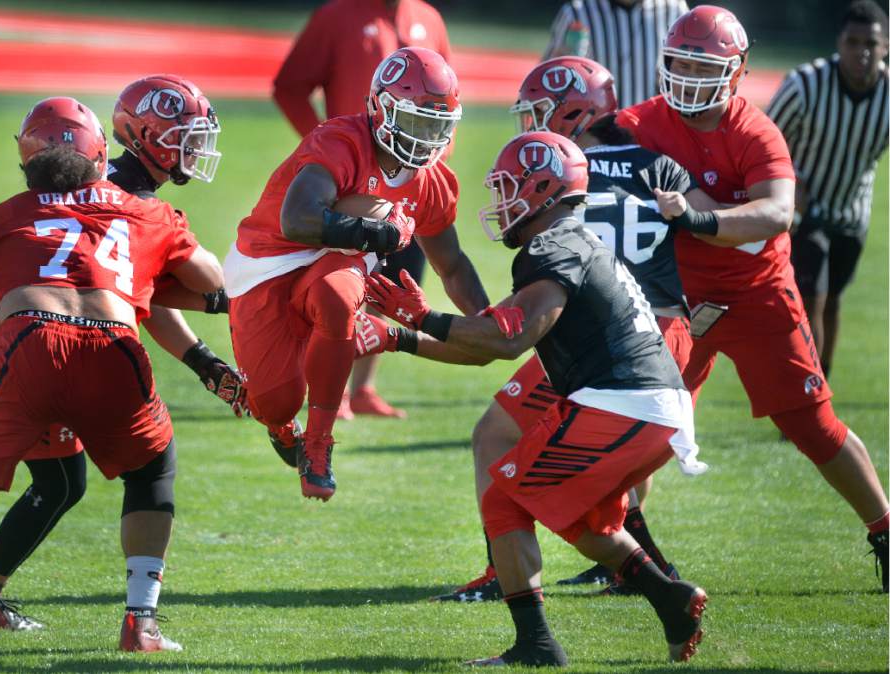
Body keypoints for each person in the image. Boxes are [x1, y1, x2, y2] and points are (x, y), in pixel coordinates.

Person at [363, 131, 707, 666]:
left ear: (543, 188)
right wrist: (401, 336)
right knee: (589, 526)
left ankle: (536, 645)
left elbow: (507, 342)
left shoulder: (552, 248)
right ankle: (671, 600)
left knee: (504, 496)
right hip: (647, 407)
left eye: (508, 188)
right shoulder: (568, 244)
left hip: (623, 403)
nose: (500, 203)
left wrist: (422, 316)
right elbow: (483, 343)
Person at [0, 76, 243, 636]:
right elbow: (153, 289)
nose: (197, 149)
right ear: (106, 149)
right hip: (89, 348)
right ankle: (139, 620)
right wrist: (219, 319)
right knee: (118, 475)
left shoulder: (3, 215)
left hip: (15, 345)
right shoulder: (139, 207)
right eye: (186, 136)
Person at [417, 55, 721, 602]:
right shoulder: (657, 165)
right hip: (665, 327)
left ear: (578, 112)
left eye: (542, 112)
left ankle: (511, 573)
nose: (534, 126)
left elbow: (533, 307)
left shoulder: (560, 180)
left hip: (601, 328)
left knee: (499, 435)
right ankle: (643, 570)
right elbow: (709, 226)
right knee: (608, 460)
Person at [616, 4, 889, 592]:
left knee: (813, 426)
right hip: (678, 298)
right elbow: (584, 152)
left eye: (702, 63)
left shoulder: (754, 130)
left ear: (736, 72)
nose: (688, 74)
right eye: (680, 61)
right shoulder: (640, 122)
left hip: (757, 295)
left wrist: (695, 215)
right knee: (640, 417)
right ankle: (626, 549)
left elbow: (776, 213)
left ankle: (885, 530)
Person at [226, 47, 488, 501]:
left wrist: (488, 320)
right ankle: (294, 413)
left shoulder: (431, 180)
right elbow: (298, 220)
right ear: (381, 108)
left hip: (336, 263)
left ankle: (320, 442)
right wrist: (379, 233)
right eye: (415, 122)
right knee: (275, 402)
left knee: (335, 294)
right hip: (269, 260)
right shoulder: (343, 140)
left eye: (435, 126)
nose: (425, 138)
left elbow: (452, 264)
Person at [273, 0, 453, 419]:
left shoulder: (429, 18)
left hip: (411, 180)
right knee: (338, 283)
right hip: (349, 180)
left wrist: (434, 159)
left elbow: (447, 98)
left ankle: (364, 387)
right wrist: (321, 146)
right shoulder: (337, 16)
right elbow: (290, 85)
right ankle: (323, 385)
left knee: (394, 281)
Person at [766, 0, 889, 380]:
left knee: (833, 300)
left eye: (871, 43)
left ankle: (822, 387)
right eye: (853, 42)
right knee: (812, 298)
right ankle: (809, 389)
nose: (861, 52)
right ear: (839, 43)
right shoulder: (805, 84)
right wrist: (790, 186)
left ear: (885, 47)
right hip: (805, 207)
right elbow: (764, 140)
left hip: (852, 210)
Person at [542, 0, 688, 108]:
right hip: (595, 135)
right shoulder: (577, 12)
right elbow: (547, 82)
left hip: (653, 134)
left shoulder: (673, 9)